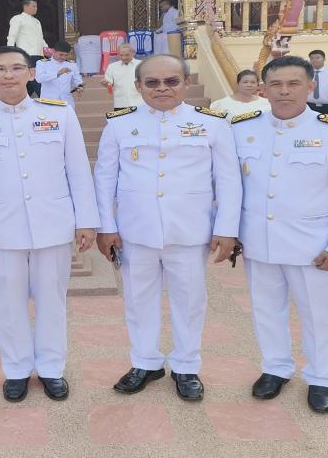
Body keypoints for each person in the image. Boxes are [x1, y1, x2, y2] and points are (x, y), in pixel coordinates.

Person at [0, 46, 99, 403]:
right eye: (0, 69)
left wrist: (86, 221)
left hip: (53, 225)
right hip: (0, 230)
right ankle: (16, 370)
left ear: (31, 73)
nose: (9, 75)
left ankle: (51, 369)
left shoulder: (60, 114)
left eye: (17, 68)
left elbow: (79, 172)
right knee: (8, 304)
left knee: (52, 301)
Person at [94, 54, 241, 402]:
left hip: (188, 231)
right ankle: (145, 362)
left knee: (189, 301)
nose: (162, 88)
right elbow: (104, 179)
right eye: (152, 82)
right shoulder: (119, 124)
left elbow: (228, 180)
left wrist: (226, 228)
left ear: (186, 83)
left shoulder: (212, 124)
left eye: (172, 81)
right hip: (136, 231)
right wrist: (106, 226)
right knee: (138, 299)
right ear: (138, 86)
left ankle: (186, 366)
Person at [232, 56, 328, 414]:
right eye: (276, 84)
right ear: (263, 89)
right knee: (265, 310)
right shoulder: (242, 129)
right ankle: (275, 368)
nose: (284, 91)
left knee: (318, 315)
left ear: (310, 86)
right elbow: (231, 187)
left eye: (293, 84)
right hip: (259, 240)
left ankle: (323, 378)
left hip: (314, 245)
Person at [7, 0, 48, 98]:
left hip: (39, 54)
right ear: (25, 6)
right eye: (33, 6)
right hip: (27, 54)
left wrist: (47, 49)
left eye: (36, 6)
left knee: (30, 82)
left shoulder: (37, 21)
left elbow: (40, 37)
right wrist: (10, 52)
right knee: (35, 79)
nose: (36, 8)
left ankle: (20, 100)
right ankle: (45, 98)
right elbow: (12, 36)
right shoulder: (18, 19)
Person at [35, 40, 83, 106]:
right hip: (49, 101)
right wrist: (57, 74)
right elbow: (39, 79)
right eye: (61, 54)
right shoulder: (42, 63)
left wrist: (79, 87)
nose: (63, 57)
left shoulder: (72, 64)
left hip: (67, 101)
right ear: (53, 51)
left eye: (66, 55)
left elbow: (77, 80)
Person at [101, 42, 143, 110]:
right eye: (121, 55)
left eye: (127, 55)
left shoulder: (141, 64)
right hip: (120, 104)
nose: (124, 58)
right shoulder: (112, 67)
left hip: (140, 103)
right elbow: (108, 83)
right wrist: (105, 83)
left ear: (133, 53)